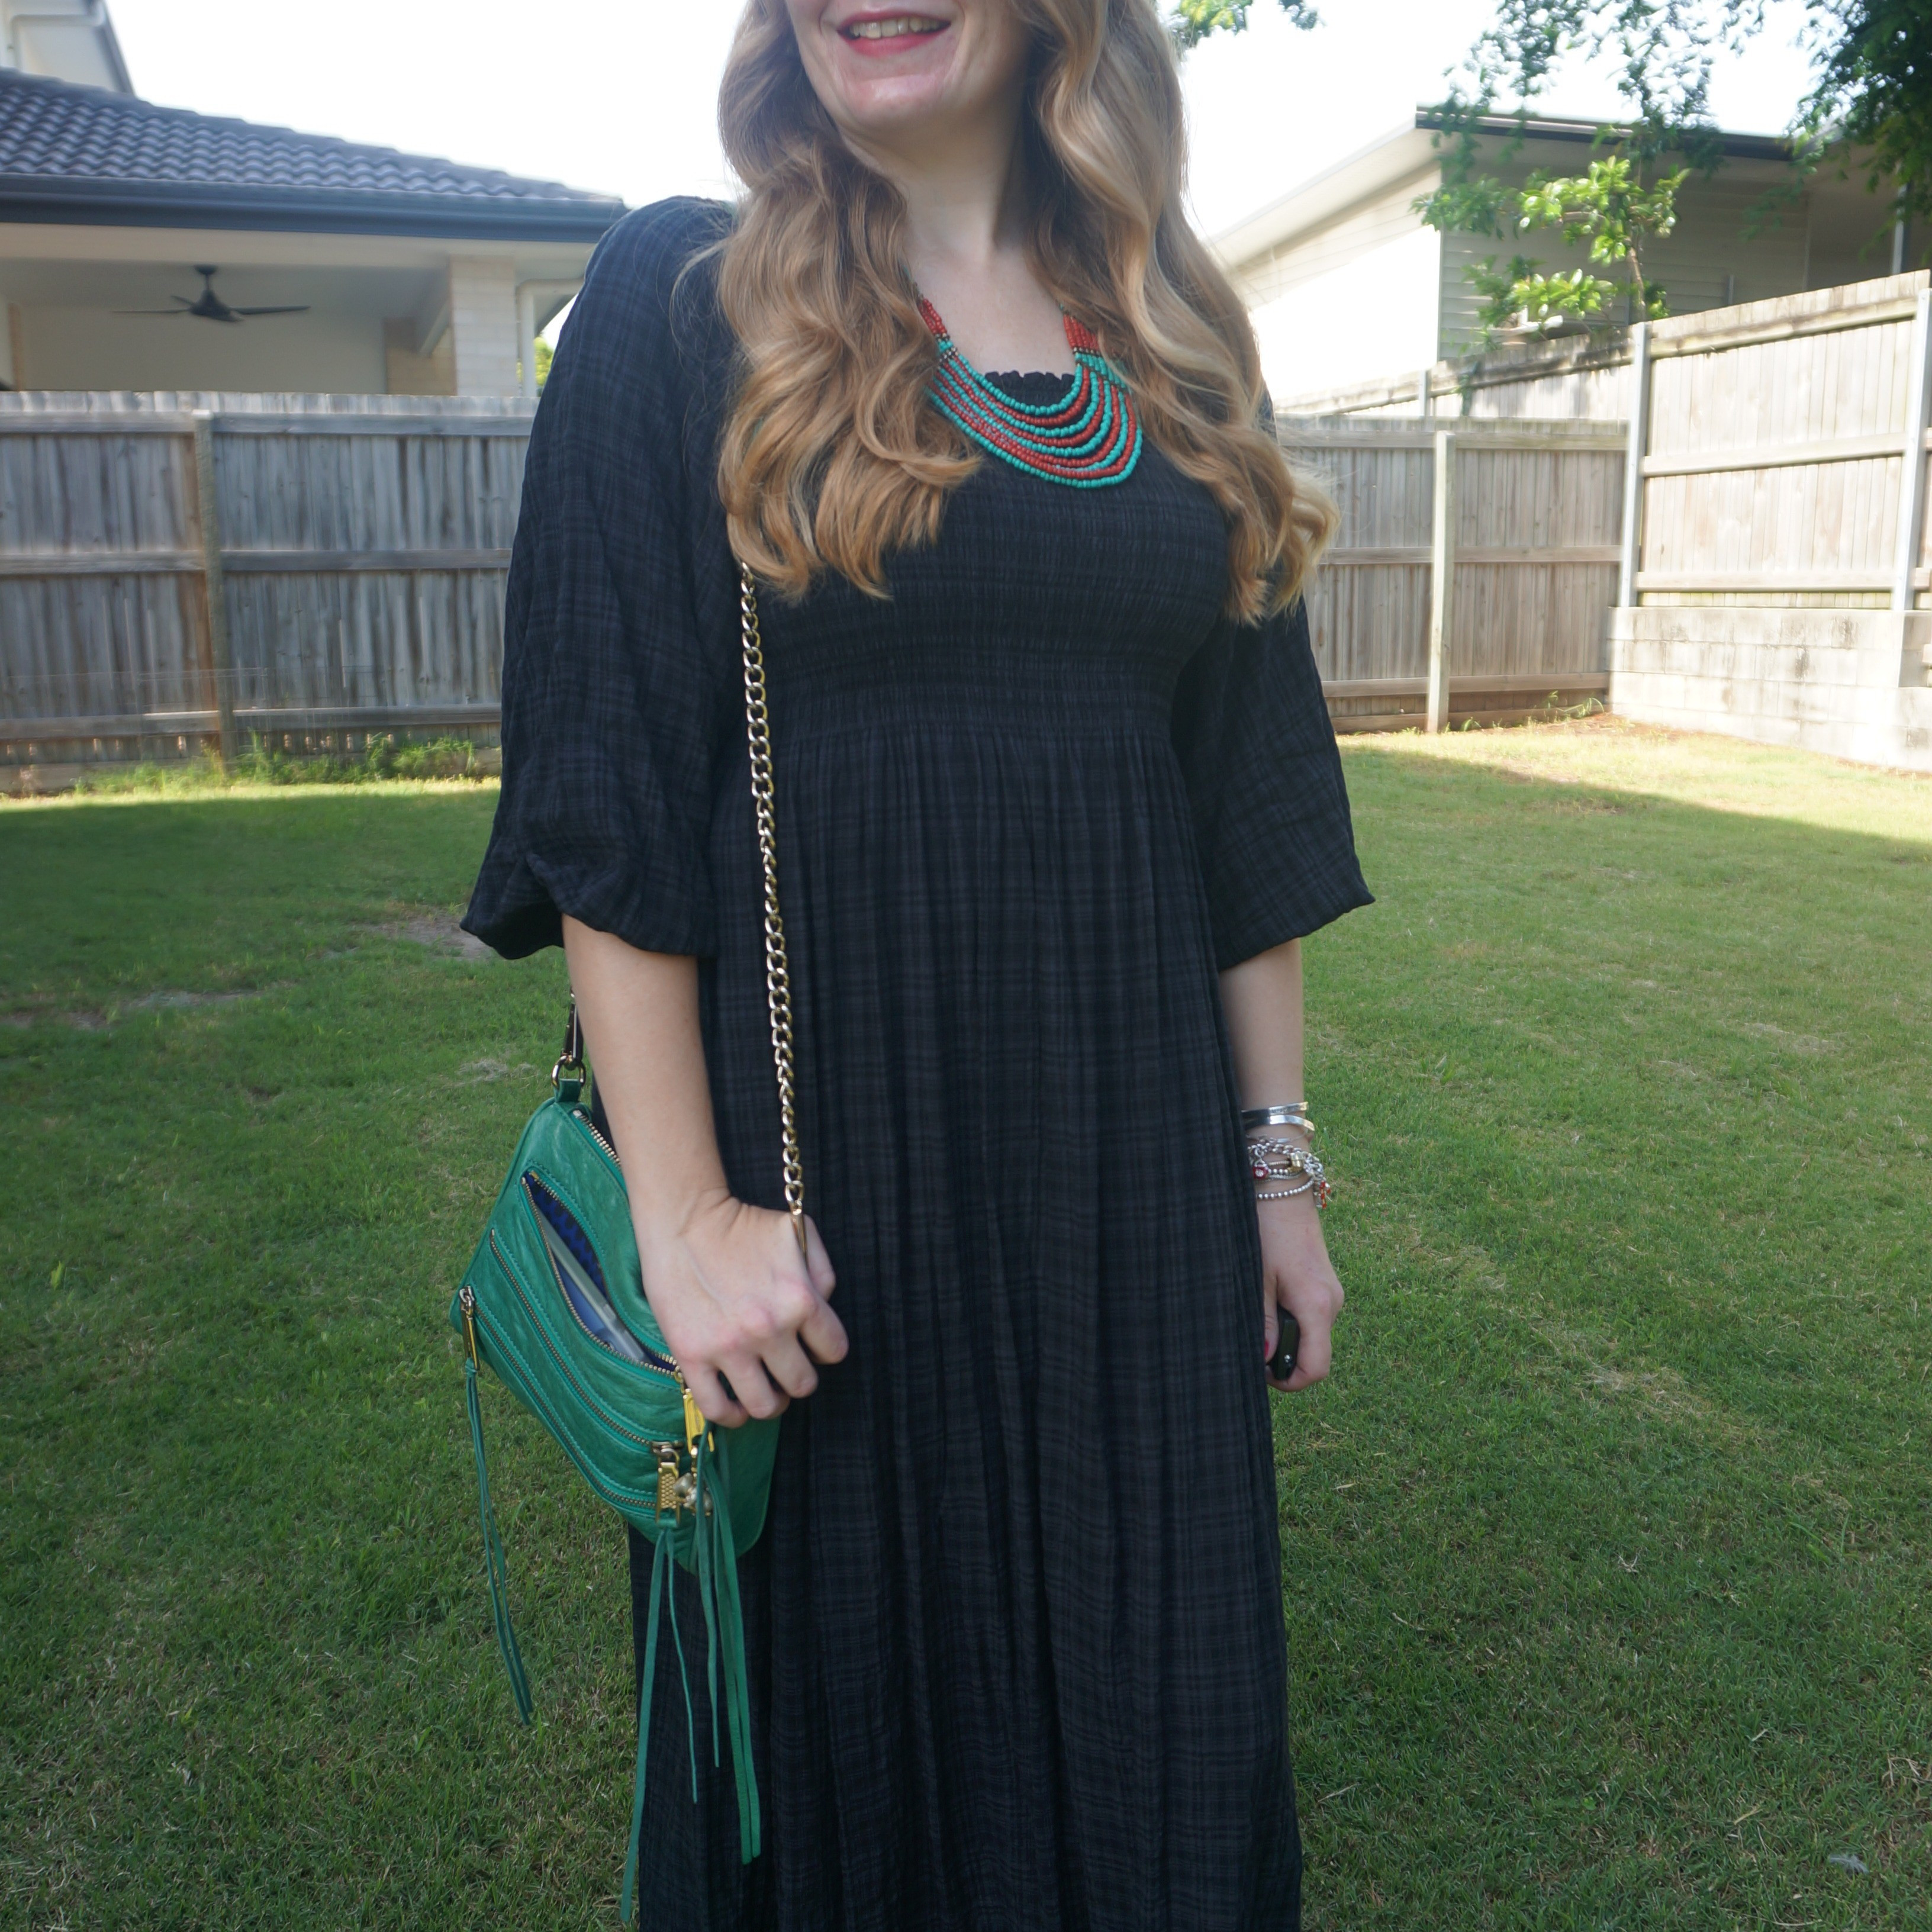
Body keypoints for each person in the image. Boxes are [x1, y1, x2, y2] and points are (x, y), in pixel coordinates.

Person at [463, 1, 1372, 1925]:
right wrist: (685, 1214)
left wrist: (1277, 1170)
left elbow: (1250, 799)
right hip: (827, 1213)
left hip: (1129, 1200)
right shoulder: (681, 299)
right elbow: (605, 780)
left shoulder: (1176, 340)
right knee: (849, 1754)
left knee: (1163, 1726)